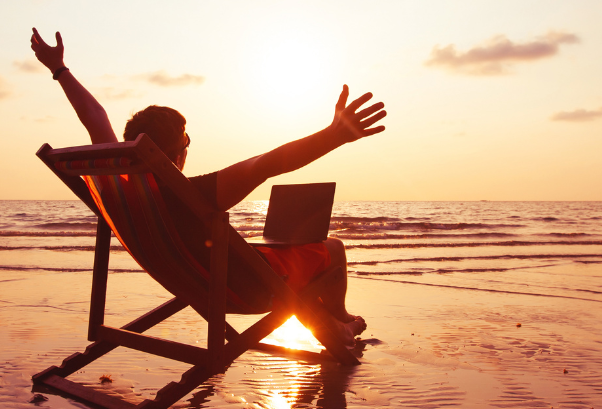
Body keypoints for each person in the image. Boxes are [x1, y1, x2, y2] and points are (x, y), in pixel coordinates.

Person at [30, 28, 386, 345]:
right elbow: (268, 163)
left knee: (284, 261)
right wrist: (333, 136)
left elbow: (95, 118)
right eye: (187, 144)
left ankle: (333, 329)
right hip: (244, 291)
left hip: (190, 280)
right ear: (176, 154)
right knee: (332, 248)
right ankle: (339, 320)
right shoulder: (189, 195)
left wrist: (59, 70)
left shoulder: (117, 189)